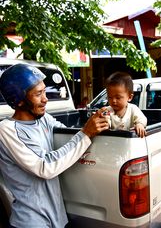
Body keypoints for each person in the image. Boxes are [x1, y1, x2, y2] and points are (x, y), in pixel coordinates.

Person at [0, 64, 109, 228]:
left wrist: (97, 125)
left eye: (44, 91)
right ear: (20, 101)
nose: (45, 98)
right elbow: (44, 167)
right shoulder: (7, 130)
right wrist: (85, 134)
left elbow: (66, 137)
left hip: (58, 220)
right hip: (31, 222)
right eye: (38, 94)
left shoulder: (44, 119)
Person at [105, 71, 147, 138]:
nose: (113, 101)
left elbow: (141, 118)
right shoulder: (107, 110)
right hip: (111, 143)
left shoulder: (133, 109)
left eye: (118, 97)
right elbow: (105, 120)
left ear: (130, 97)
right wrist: (104, 124)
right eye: (110, 97)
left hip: (129, 144)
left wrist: (140, 124)